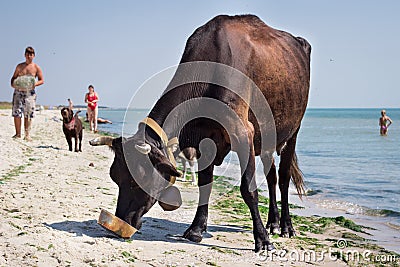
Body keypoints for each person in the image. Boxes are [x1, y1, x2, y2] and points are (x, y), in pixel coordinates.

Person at [10, 46, 44, 141]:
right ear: (25, 55)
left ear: (34, 56)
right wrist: (13, 84)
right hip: (18, 92)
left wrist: (34, 84)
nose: (29, 56)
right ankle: (17, 134)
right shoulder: (19, 66)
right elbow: (13, 78)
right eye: (27, 54)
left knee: (28, 114)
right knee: (16, 112)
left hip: (30, 93)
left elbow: (42, 80)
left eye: (31, 54)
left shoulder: (36, 67)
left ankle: (27, 134)